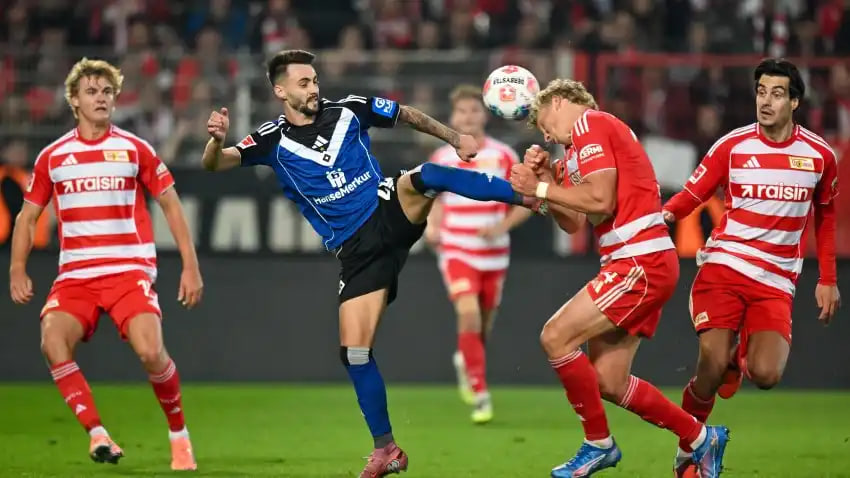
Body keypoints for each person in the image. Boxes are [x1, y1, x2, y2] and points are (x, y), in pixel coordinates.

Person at [201, 50, 532, 477]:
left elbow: (406, 114)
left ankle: (529, 196)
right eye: (303, 83)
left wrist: (454, 138)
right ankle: (387, 449)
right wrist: (215, 140)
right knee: (355, 354)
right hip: (355, 252)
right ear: (280, 90)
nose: (314, 88)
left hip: (384, 209)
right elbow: (217, 163)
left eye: (315, 80)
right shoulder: (269, 141)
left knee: (426, 177)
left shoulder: (350, 110)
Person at [509, 78, 729, 478]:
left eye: (543, 121)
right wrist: (547, 187)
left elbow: (600, 200)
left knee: (555, 336)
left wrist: (540, 185)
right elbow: (574, 222)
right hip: (635, 262)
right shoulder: (575, 151)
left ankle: (598, 444)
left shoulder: (590, 124)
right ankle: (700, 438)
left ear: (559, 102)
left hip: (638, 260)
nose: (543, 133)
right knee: (608, 381)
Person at [8, 58, 203, 470]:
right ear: (74, 100)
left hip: (128, 271)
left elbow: (170, 203)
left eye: (107, 91)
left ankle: (179, 434)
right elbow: (27, 217)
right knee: (52, 342)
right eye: (92, 91)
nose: (101, 98)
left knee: (151, 352)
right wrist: (17, 268)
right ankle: (97, 433)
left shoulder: (134, 148)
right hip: (76, 276)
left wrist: (190, 265)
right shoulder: (53, 157)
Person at [663, 58, 841, 477]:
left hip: (777, 279)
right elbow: (691, 195)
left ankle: (737, 356)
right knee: (709, 363)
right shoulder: (733, 145)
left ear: (795, 101)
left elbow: (827, 217)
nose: (766, 100)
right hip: (725, 265)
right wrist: (661, 217)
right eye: (761, 91)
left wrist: (828, 279)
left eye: (777, 93)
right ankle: (689, 454)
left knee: (766, 374)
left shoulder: (819, 156)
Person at [424, 84, 531, 424]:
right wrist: (431, 228)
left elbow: (528, 201)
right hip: (457, 248)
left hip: (494, 253)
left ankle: (466, 362)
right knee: (468, 313)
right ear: (452, 118)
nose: (468, 116)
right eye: (462, 112)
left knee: (482, 326)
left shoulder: (503, 156)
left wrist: (502, 227)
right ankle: (481, 394)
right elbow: (433, 201)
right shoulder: (442, 158)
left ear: (484, 114)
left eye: (474, 110)